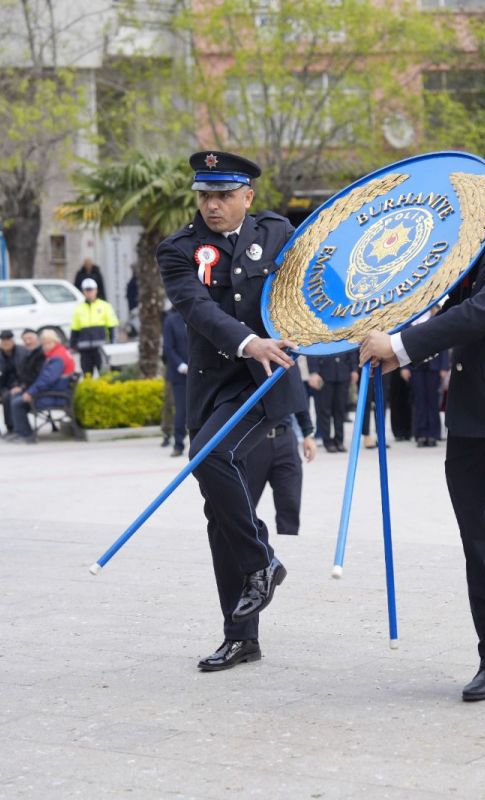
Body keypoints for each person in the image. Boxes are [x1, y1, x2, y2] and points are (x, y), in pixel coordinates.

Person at [359, 119, 485, 701]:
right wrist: (381, 319)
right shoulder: (479, 237)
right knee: (477, 538)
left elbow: (480, 313)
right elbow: (438, 296)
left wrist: (398, 350)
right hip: (473, 408)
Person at [158, 150, 307, 673]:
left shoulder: (277, 232)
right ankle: (241, 632)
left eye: (223, 195)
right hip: (215, 389)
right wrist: (249, 341)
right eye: (204, 196)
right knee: (220, 519)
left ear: (248, 196)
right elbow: (196, 309)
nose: (212, 206)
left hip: (266, 392)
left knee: (207, 456)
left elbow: (310, 289)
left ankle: (263, 561)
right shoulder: (178, 249)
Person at [245, 407, 316, 536]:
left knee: (290, 503)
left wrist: (308, 433)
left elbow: (298, 395)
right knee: (243, 506)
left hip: (285, 438)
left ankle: (288, 548)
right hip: (251, 441)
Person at [5, 329, 75, 444]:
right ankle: (19, 431)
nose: (46, 346)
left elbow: (46, 380)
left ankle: (26, 435)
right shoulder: (58, 353)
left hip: (55, 396)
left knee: (17, 402)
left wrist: (30, 392)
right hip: (56, 392)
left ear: (55, 341)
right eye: (44, 344)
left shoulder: (57, 358)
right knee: (16, 397)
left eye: (48, 343)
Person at [305, 351, 358, 453]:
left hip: (343, 372)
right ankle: (327, 441)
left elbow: (350, 347)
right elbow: (313, 348)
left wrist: (354, 368)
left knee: (340, 410)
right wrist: (313, 372)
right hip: (323, 373)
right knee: (324, 409)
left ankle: (339, 440)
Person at [69, 278, 119, 377]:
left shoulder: (105, 306)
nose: (89, 293)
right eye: (87, 291)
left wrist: (113, 343)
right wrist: (73, 345)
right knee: (87, 375)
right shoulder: (79, 308)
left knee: (104, 374)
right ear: (83, 292)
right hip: (84, 349)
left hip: (101, 348)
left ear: (96, 290)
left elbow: (112, 326)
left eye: (91, 290)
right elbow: (75, 329)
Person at [162, 304, 189, 458]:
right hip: (180, 374)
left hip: (198, 372)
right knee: (181, 411)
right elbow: (168, 348)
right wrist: (181, 366)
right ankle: (178, 444)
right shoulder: (171, 321)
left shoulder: (196, 317)